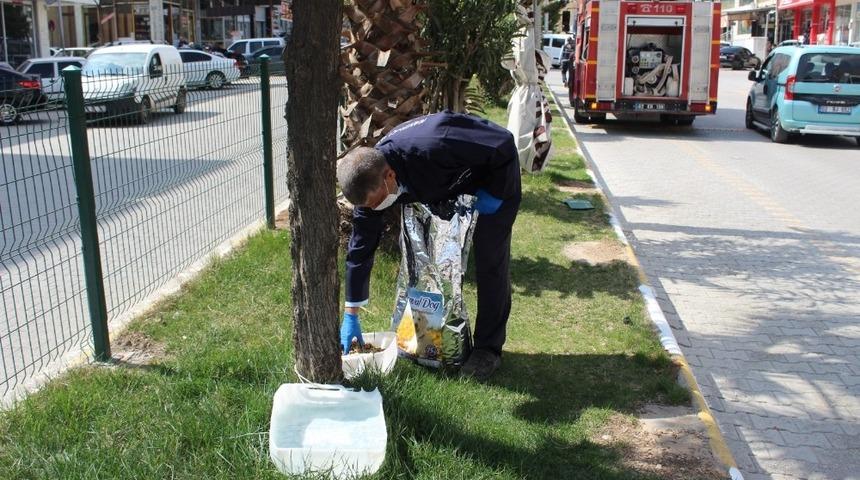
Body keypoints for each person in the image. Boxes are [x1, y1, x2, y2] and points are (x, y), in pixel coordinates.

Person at [336, 111, 522, 381]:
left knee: (490, 260)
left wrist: (495, 194)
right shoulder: (370, 184)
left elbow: (502, 143)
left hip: (491, 182)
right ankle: (427, 340)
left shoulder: (436, 142)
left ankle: (488, 350)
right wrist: (351, 313)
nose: (374, 209)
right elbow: (360, 247)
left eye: (376, 203)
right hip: (443, 186)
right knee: (426, 266)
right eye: (368, 207)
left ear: (389, 176)